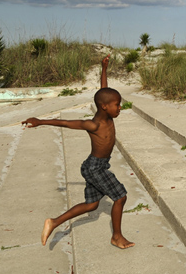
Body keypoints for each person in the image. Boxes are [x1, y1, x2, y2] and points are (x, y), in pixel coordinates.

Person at [22, 55, 134, 249]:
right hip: (94, 168)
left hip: (95, 165)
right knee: (120, 196)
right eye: (117, 105)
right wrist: (40, 121)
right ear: (104, 107)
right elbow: (65, 123)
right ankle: (117, 236)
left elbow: (103, 91)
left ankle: (54, 222)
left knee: (91, 205)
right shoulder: (94, 124)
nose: (120, 108)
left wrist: (104, 68)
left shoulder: (108, 115)